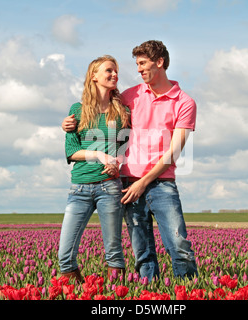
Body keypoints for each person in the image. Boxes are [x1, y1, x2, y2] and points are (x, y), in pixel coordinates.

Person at [62, 41, 198, 281]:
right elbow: (98, 112)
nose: (138, 69)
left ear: (160, 62)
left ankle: (189, 292)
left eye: (143, 63)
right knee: (142, 251)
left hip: (160, 183)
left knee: (178, 244)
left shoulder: (184, 103)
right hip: (126, 183)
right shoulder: (129, 97)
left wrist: (143, 182)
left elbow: (173, 153)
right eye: (137, 64)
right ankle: (149, 293)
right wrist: (69, 124)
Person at [58, 55, 130, 283]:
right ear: (94, 76)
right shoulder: (77, 111)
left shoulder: (121, 111)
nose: (114, 75)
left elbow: (124, 148)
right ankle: (80, 292)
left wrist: (116, 165)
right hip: (79, 187)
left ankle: (113, 296)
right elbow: (71, 151)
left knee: (114, 253)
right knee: (65, 256)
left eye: (116, 71)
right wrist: (99, 155)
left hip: (109, 187)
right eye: (109, 70)